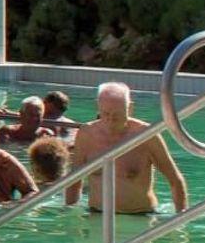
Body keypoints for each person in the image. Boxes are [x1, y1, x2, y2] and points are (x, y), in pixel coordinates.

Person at [67, 81, 189, 215]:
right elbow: (74, 179)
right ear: (98, 106)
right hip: (97, 213)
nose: (110, 120)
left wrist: (181, 219)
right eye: (106, 113)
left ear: (129, 108)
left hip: (139, 215)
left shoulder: (145, 135)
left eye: (117, 115)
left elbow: (175, 179)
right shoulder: (86, 134)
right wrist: (69, 215)